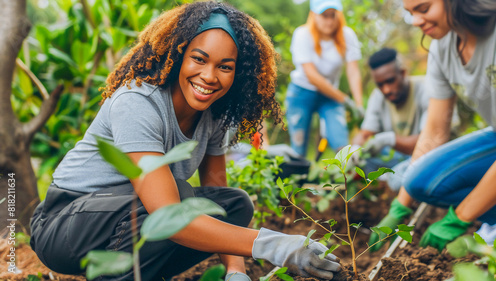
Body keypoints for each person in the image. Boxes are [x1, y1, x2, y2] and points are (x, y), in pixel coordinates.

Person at [29, 2, 341, 281]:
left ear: (238, 73)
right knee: (174, 197)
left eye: (225, 67)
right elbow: (165, 210)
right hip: (63, 225)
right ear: (178, 55)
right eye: (199, 59)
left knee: (234, 203)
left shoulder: (213, 115)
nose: (209, 76)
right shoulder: (138, 102)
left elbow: (218, 195)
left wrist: (235, 271)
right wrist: (272, 245)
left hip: (125, 221)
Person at [369, 0, 496, 252]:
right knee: (418, 180)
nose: (416, 21)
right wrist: (401, 205)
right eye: (410, 13)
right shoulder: (442, 49)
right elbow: (434, 132)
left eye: (424, 8)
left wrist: (460, 217)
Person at [286, 0, 364, 157]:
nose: (329, 21)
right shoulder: (302, 34)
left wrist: (358, 104)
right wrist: (344, 99)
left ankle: (348, 176)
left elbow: (353, 71)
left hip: (330, 96)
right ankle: (298, 177)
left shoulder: (347, 35)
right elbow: (312, 76)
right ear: (313, 15)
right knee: (298, 147)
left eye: (333, 15)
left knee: (340, 142)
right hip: (301, 93)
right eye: (324, 16)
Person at [352, 47, 429, 191]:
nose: (386, 89)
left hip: (424, 157)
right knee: (361, 162)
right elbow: (365, 134)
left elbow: (429, 143)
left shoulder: (426, 89)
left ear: (403, 73)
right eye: (380, 85)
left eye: (390, 81)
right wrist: (355, 149)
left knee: (401, 178)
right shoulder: (378, 96)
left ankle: (393, 183)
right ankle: (384, 184)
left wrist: (389, 139)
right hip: (397, 158)